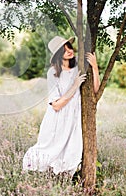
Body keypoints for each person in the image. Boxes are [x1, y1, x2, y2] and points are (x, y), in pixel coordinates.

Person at [23, 36, 100, 176]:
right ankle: (38, 177)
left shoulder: (79, 67)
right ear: (58, 55)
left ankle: (63, 182)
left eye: (69, 47)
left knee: (71, 151)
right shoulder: (53, 73)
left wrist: (94, 67)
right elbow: (56, 105)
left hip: (74, 117)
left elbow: (95, 91)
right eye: (64, 50)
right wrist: (74, 86)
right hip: (57, 119)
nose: (69, 51)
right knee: (48, 150)